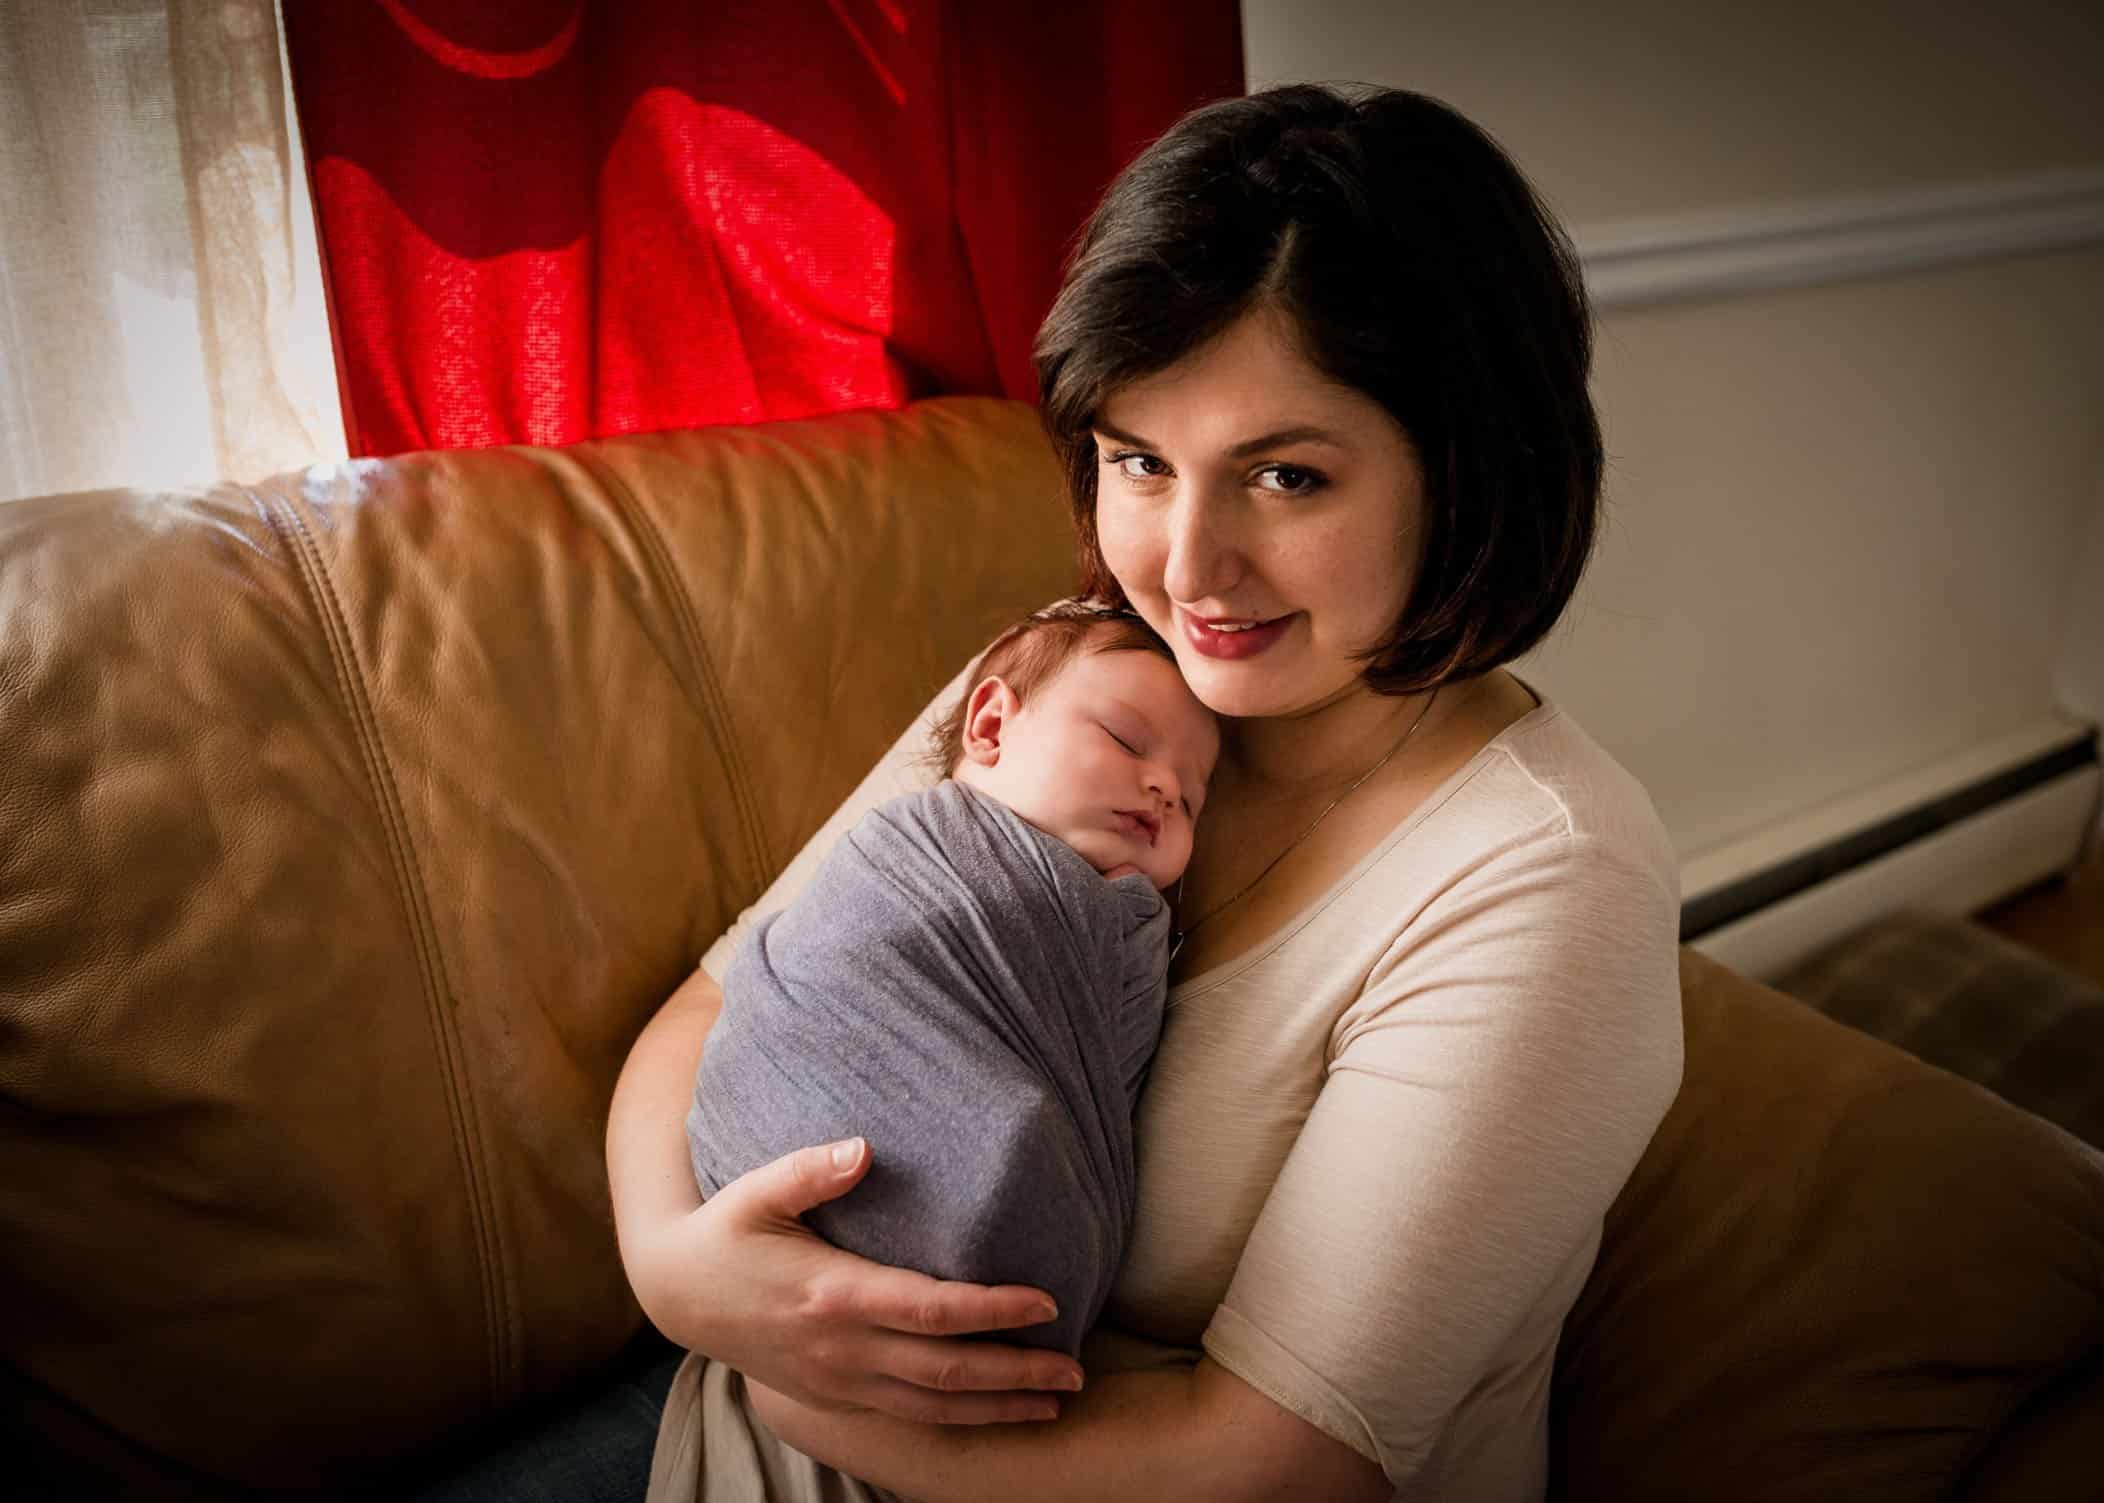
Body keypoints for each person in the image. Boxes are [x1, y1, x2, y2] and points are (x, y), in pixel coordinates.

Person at [607, 82, 1684, 1503]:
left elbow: (1272, 1462)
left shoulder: (1547, 879)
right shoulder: (1085, 677)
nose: (1186, 567)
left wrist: (786, 1371)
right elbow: (720, 1000)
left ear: (1469, 474)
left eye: (1286, 476)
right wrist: (678, 1273)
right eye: (1138, 461)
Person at [685, 602, 1218, 1368]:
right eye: (1127, 740)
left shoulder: (1128, 928)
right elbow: (794, 972)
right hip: (733, 1227)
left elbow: (1101, 1081)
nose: (1167, 786)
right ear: (992, 727)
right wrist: (676, 1270)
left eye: (1193, 799)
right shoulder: (912, 842)